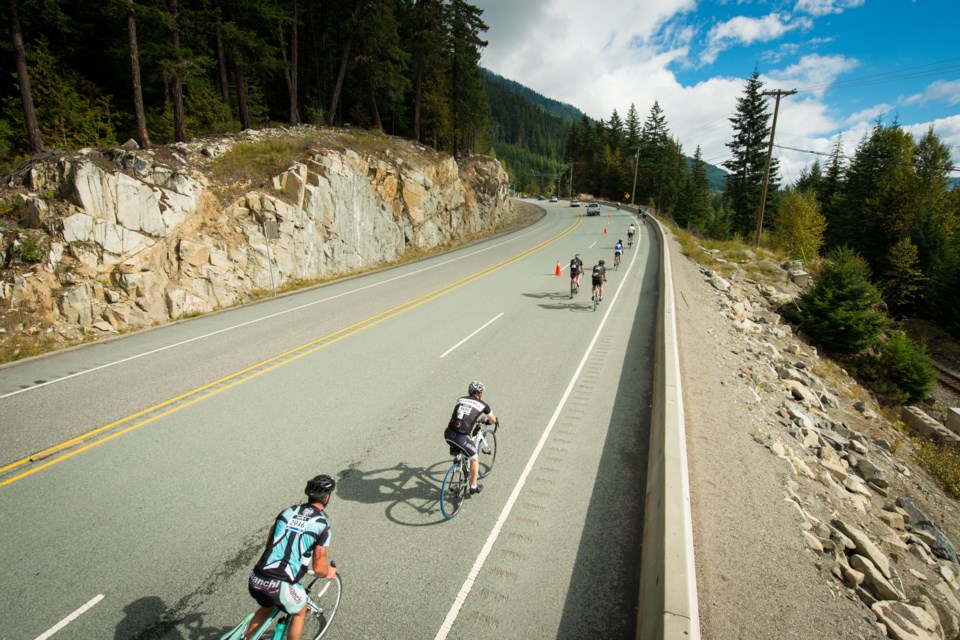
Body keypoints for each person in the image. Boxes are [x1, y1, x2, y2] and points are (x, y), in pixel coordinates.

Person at [245, 475, 337, 640]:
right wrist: (328, 573)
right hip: (280, 584)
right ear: (326, 497)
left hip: (256, 578)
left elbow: (269, 542)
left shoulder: (287, 511)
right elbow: (319, 567)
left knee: (266, 608)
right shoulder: (323, 525)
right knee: (300, 611)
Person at [444, 381, 498, 495]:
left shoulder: (460, 399)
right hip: (461, 437)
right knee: (474, 459)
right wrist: (487, 422)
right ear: (481, 394)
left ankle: (457, 460)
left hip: (448, 433)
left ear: (468, 391)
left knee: (458, 446)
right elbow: (493, 420)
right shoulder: (483, 405)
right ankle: (473, 486)